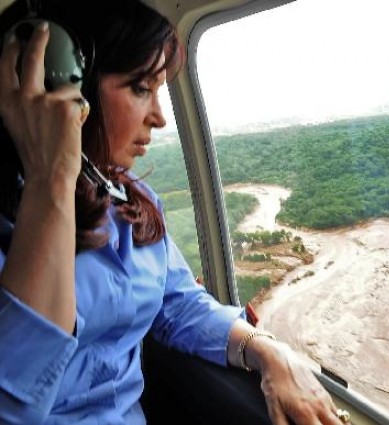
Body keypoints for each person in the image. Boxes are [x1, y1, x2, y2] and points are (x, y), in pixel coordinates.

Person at [0, 0, 349, 424]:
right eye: (140, 88)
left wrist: (268, 350)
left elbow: (179, 306)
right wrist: (50, 180)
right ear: (63, 86)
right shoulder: (18, 218)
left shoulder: (130, 202)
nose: (159, 117)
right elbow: (12, 405)